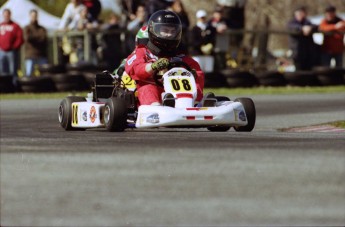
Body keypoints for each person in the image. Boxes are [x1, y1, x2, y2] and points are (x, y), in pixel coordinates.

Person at [125, 10, 205, 106]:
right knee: (147, 87)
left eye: (172, 32)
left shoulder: (179, 56)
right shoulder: (142, 52)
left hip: (178, 94)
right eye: (165, 31)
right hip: (150, 93)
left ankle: (196, 103)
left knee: (195, 80)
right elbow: (134, 69)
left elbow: (197, 71)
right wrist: (152, 67)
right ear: (153, 30)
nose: (169, 35)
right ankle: (156, 107)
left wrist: (193, 75)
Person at [287, 6, 319, 70]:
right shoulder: (292, 22)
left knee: (308, 70)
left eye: (301, 13)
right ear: (295, 14)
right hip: (297, 52)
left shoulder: (307, 22)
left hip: (308, 52)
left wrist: (310, 28)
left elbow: (316, 26)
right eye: (298, 13)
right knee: (299, 70)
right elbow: (292, 27)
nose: (300, 15)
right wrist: (302, 29)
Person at [0, 9, 24, 86]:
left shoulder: (15, 26)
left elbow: (20, 38)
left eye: (7, 15)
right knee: (2, 69)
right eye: (5, 15)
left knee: (12, 69)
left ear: (10, 15)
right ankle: (4, 86)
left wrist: (14, 47)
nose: (6, 16)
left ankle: (13, 86)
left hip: (11, 51)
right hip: (1, 51)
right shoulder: (1, 25)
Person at [24, 9, 48, 77]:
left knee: (44, 74)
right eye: (32, 16)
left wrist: (33, 38)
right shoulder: (27, 28)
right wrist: (38, 37)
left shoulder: (42, 29)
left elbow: (43, 38)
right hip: (30, 55)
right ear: (30, 16)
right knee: (29, 75)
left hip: (41, 55)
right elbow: (27, 38)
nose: (34, 17)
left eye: (35, 16)